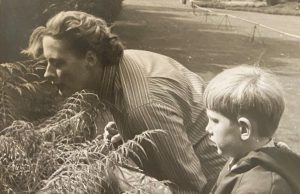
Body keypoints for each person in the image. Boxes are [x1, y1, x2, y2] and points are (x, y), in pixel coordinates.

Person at [23, 11, 226, 194]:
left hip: (224, 181)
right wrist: (130, 134)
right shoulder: (121, 67)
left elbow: (191, 188)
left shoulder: (142, 106)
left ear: (90, 59)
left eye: (58, 63)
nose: (47, 73)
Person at [203, 65, 300, 194]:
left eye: (215, 121)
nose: (207, 129)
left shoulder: (261, 187)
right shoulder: (242, 157)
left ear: (244, 129)